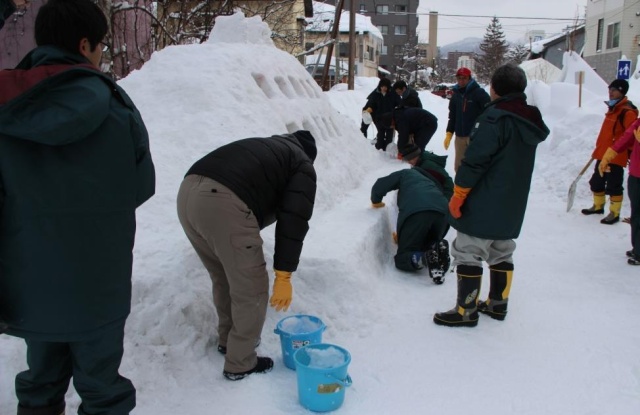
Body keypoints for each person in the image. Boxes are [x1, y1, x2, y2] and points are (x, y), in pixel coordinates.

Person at [0, 0, 156, 413]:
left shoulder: (7, 104)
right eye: (101, 45)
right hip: (98, 280)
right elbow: (141, 186)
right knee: (101, 385)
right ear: (85, 44)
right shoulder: (115, 106)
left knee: (40, 379)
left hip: (30, 276)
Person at [177, 130, 317, 381]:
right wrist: (284, 275)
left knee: (224, 276)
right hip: (221, 201)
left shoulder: (270, 149)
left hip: (187, 195)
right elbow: (294, 221)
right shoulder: (301, 164)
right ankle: (240, 361)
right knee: (251, 286)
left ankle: (227, 340)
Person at [433, 63, 549, 327]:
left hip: (484, 197)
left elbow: (475, 161)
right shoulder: (528, 119)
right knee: (501, 250)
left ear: (495, 89)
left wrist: (459, 194)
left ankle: (466, 310)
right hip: (512, 200)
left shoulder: (495, 117)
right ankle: (498, 304)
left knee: (468, 250)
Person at [370, 144, 451, 284]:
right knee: (427, 241)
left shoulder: (406, 174)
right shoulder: (431, 182)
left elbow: (381, 184)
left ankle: (424, 259)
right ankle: (438, 245)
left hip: (418, 212)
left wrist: (376, 201)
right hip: (443, 213)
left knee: (402, 258)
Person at [581, 79, 638, 224]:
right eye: (610, 89)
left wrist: (631, 154)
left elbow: (631, 136)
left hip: (616, 157)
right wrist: (598, 150)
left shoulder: (627, 112)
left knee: (614, 186)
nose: (610, 92)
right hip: (603, 154)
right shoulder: (612, 109)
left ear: (622, 91)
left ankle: (614, 212)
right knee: (596, 182)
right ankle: (598, 206)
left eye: (614, 90)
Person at [598, 120, 640, 265]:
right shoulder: (639, 124)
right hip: (636, 175)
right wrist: (608, 156)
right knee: (636, 213)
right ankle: (637, 247)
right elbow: (625, 139)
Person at [444, 67, 491, 172]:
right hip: (460, 137)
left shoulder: (479, 93)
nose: (461, 80)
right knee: (459, 167)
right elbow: (452, 116)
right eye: (459, 78)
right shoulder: (455, 95)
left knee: (475, 165)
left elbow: (489, 112)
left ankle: (476, 187)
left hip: (474, 137)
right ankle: (460, 187)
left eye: (464, 78)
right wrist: (449, 133)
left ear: (469, 78)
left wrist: (484, 132)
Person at [362, 77, 400, 151]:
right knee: (380, 135)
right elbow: (371, 104)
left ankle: (388, 151)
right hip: (379, 119)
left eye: (385, 87)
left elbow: (399, 103)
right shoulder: (376, 94)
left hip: (390, 119)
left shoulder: (393, 94)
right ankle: (379, 149)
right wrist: (368, 109)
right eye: (382, 86)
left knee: (389, 136)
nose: (383, 88)